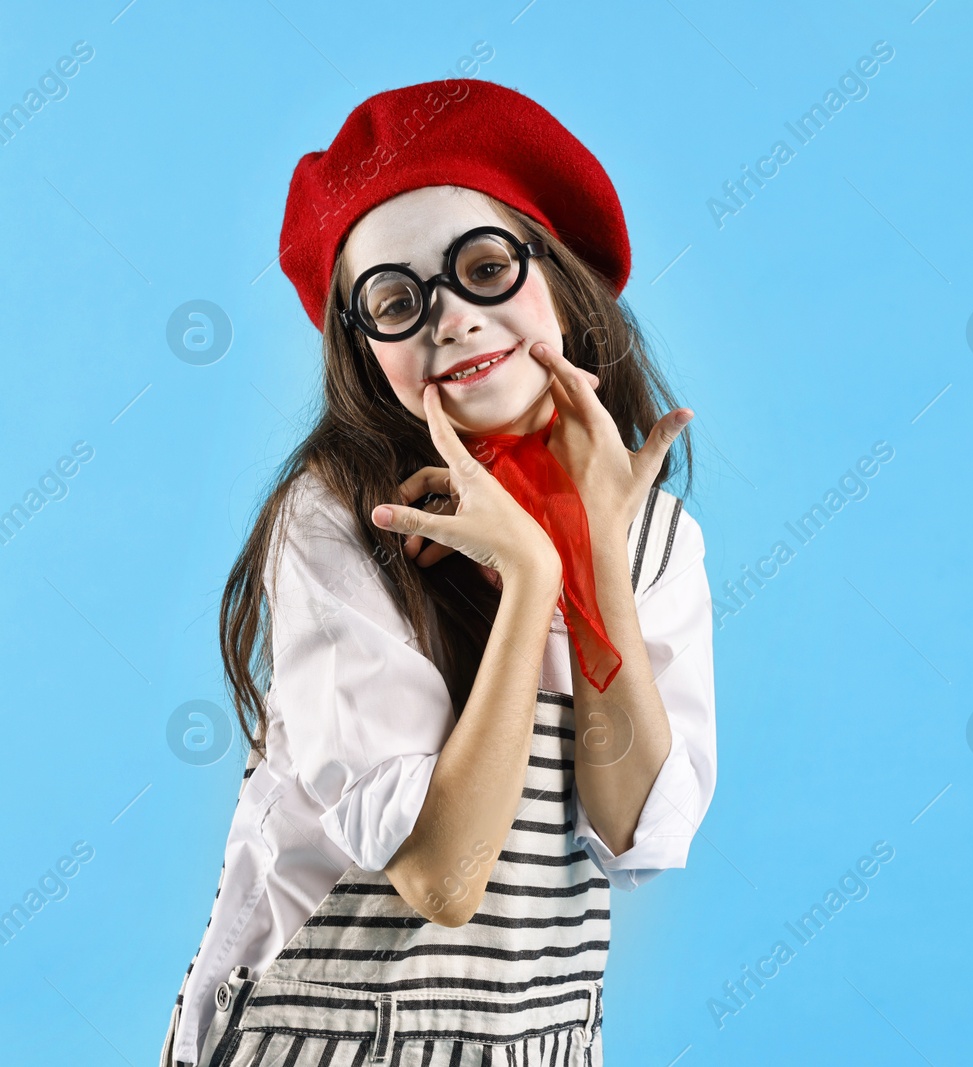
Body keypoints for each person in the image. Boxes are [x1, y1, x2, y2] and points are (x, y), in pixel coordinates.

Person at [158, 78, 716, 1067]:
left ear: (565, 286)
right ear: (365, 353)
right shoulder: (337, 516)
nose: (450, 317)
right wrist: (532, 584)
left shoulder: (655, 534)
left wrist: (590, 561)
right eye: (395, 300)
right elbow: (442, 876)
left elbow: (637, 831)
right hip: (325, 1037)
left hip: (531, 1040)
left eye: (486, 266)